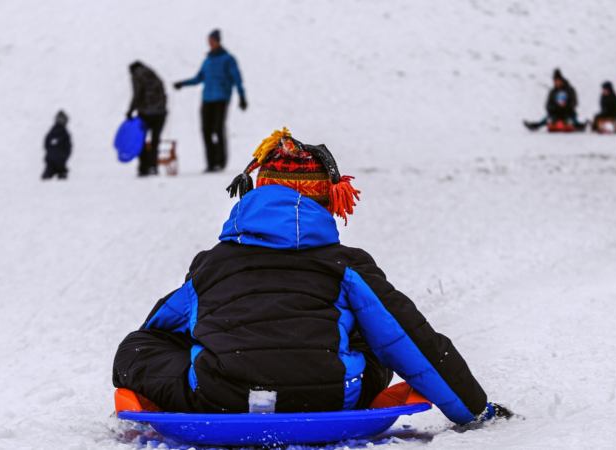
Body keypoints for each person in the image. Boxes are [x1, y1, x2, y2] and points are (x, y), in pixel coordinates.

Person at [112, 128, 513, 425]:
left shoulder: (212, 264)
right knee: (374, 335)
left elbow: (158, 330)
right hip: (332, 395)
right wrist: (475, 410)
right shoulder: (346, 264)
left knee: (139, 345)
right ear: (326, 202)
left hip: (222, 397)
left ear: (254, 193)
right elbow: (411, 339)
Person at [174, 30, 247, 172]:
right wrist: (182, 83)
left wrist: (242, 96)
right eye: (209, 41)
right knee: (206, 130)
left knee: (218, 128)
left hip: (221, 97)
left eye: (213, 40)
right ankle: (211, 162)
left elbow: (237, 78)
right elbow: (199, 78)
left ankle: (221, 161)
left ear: (218, 41)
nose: (210, 43)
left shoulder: (228, 59)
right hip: (207, 98)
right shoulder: (207, 60)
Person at [127, 61, 167, 176]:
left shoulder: (136, 75)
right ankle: (153, 166)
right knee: (155, 141)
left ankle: (144, 167)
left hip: (146, 113)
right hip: (160, 112)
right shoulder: (153, 74)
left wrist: (131, 110)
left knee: (141, 140)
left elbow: (137, 94)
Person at [42, 110, 71, 180]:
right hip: (60, 158)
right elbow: (68, 146)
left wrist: (49, 151)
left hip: (51, 157)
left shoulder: (53, 131)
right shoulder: (64, 132)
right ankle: (60, 175)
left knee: (50, 169)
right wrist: (65, 154)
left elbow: (46, 143)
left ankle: (48, 175)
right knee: (60, 170)